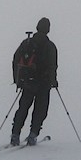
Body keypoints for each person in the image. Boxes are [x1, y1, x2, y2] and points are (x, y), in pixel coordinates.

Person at [11, 17, 58, 146]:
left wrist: (18, 80)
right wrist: (53, 81)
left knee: (23, 108)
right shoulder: (50, 46)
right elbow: (52, 66)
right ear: (48, 29)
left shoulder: (26, 43)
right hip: (43, 83)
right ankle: (33, 135)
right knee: (40, 110)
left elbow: (15, 60)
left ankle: (15, 134)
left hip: (27, 82)